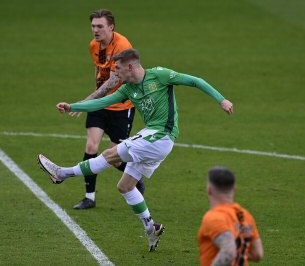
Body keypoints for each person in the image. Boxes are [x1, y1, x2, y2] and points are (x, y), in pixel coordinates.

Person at [38, 48, 233, 251]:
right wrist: (73, 107)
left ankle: (62, 173)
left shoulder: (160, 75)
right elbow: (103, 102)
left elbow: (196, 80)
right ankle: (151, 228)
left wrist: (222, 99)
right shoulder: (127, 88)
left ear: (130, 66)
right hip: (152, 137)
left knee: (109, 154)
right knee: (125, 186)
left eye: (119, 69)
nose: (116, 74)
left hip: (161, 135)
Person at [71, 9, 145, 210]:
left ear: (111, 27)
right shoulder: (93, 45)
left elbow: (114, 80)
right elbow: (98, 70)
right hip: (100, 104)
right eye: (93, 26)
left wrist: (86, 101)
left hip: (121, 106)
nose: (95, 30)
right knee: (91, 147)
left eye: (100, 26)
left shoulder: (122, 46)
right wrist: (93, 98)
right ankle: (89, 197)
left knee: (114, 157)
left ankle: (135, 179)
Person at [198, 167, 263, 265]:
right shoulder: (246, 216)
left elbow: (229, 252)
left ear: (209, 190)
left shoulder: (214, 217)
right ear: (234, 189)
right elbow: (257, 254)